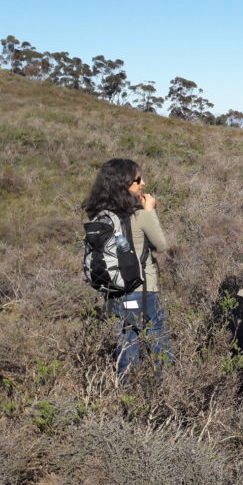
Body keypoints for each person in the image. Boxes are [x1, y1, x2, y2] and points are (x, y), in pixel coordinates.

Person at [82, 158, 171, 375]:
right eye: (137, 179)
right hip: (143, 291)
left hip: (113, 292)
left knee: (125, 347)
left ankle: (125, 395)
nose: (143, 183)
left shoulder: (100, 216)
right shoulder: (140, 215)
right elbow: (161, 245)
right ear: (124, 184)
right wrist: (150, 210)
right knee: (159, 345)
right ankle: (166, 392)